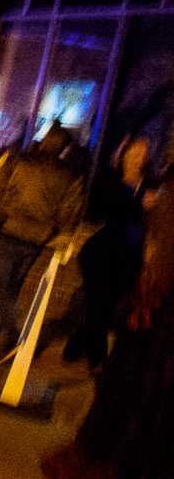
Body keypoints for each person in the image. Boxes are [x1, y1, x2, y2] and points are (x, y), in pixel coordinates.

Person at [41, 197, 174, 479]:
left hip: (153, 321)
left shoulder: (161, 208)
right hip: (157, 325)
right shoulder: (162, 212)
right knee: (146, 415)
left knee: (142, 415)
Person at [0, 127, 87, 353]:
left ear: (45, 140)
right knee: (11, 288)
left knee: (2, 288)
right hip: (35, 239)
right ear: (64, 149)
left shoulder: (18, 159)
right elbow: (69, 210)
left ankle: (15, 333)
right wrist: (54, 231)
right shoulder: (67, 175)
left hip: (6, 230)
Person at [64, 136, 155, 369]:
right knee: (99, 305)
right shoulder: (110, 179)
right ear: (123, 153)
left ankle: (76, 344)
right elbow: (101, 210)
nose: (139, 158)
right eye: (135, 152)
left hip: (130, 259)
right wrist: (139, 205)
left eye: (144, 154)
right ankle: (98, 362)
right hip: (102, 254)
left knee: (107, 306)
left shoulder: (149, 184)